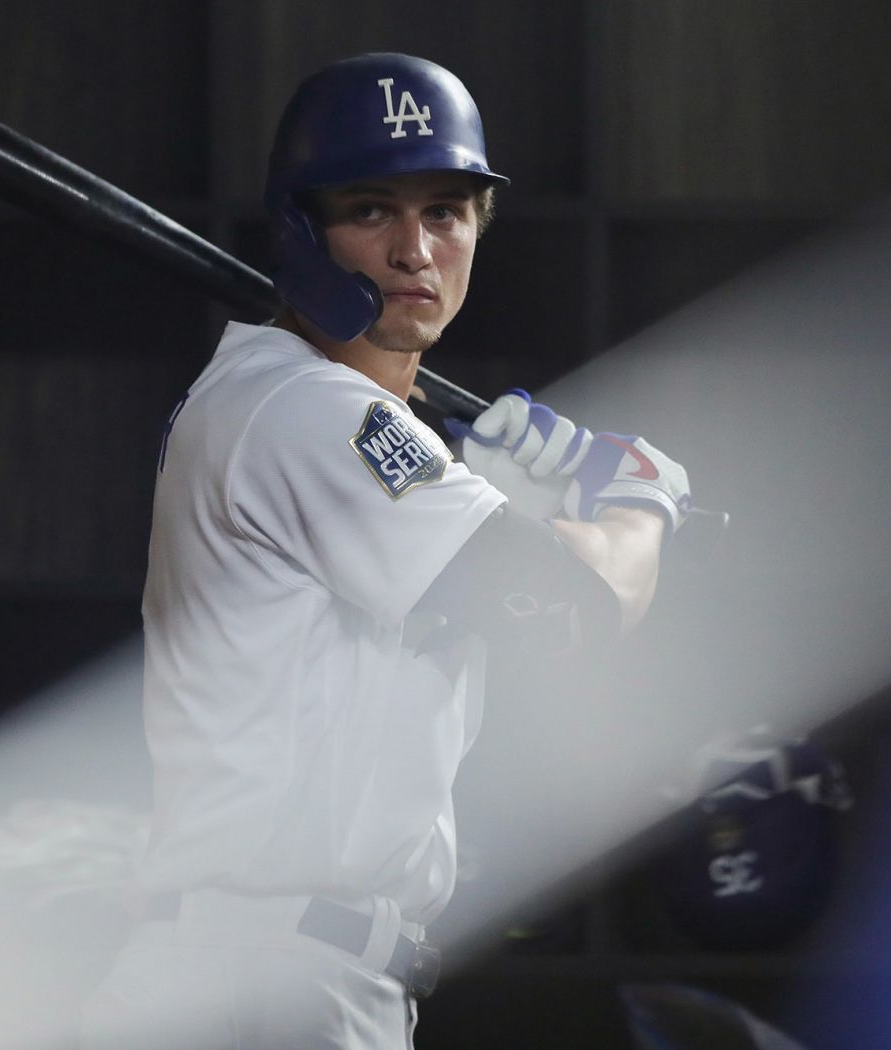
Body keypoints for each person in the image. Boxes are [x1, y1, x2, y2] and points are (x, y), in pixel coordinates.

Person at [79, 53, 692, 1049]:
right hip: (265, 982)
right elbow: (567, 609)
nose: (415, 249)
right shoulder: (302, 404)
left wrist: (527, 492)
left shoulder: (304, 407)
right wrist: (640, 500)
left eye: (445, 212)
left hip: (269, 975)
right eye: (371, 210)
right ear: (303, 229)